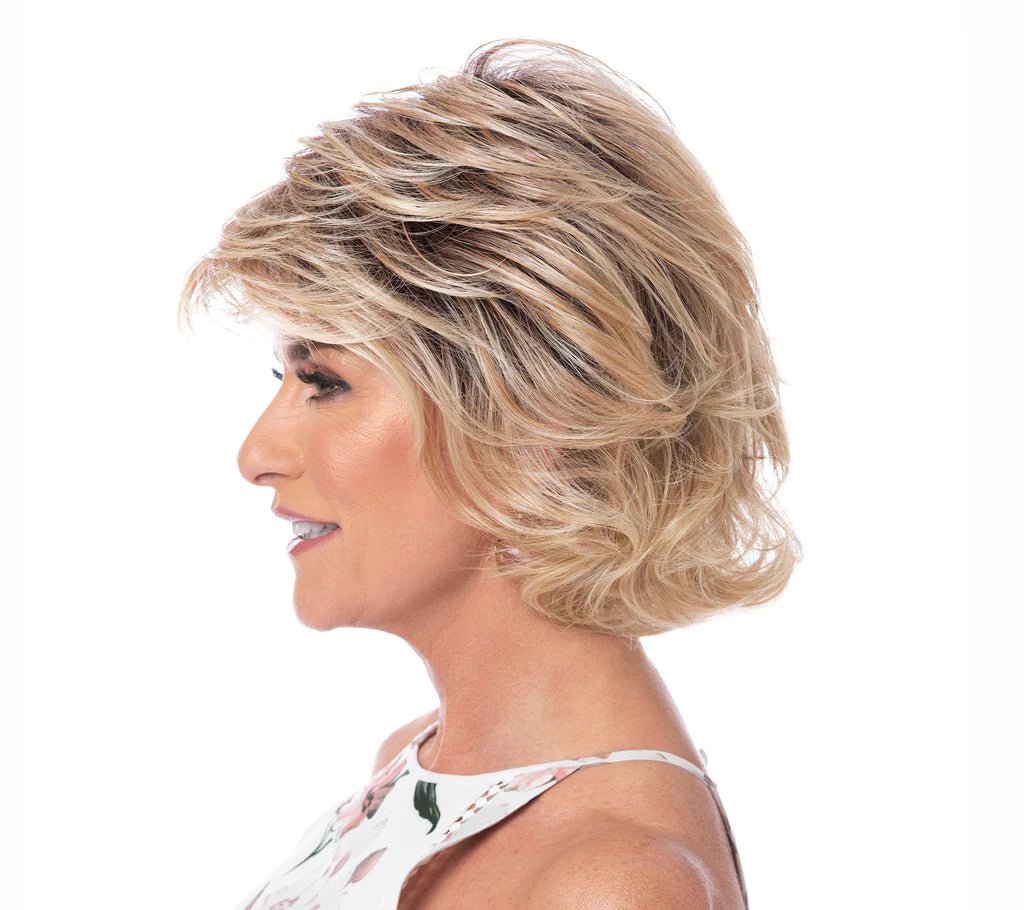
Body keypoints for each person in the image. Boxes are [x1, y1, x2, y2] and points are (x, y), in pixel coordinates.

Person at [179, 37, 799, 910]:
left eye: (326, 383)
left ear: (533, 410)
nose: (258, 455)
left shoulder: (607, 885)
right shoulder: (421, 773)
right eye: (281, 376)